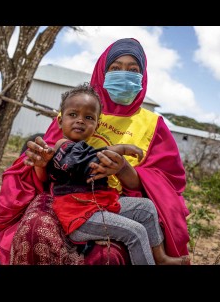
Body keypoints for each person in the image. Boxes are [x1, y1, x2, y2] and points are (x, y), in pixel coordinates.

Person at [0, 37, 190, 265]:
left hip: (112, 200)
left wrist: (123, 169)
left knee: (114, 250)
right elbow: (49, 169)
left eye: (133, 70)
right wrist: (39, 163)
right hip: (68, 202)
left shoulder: (153, 125)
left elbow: (165, 186)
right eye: (115, 68)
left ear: (143, 75)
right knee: (33, 231)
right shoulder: (78, 109)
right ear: (103, 71)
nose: (124, 75)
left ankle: (158, 257)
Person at [27, 83, 189, 265]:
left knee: (146, 208)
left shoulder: (85, 148)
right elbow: (83, 163)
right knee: (135, 232)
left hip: (97, 206)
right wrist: (118, 149)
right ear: (59, 121)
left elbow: (88, 156)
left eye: (88, 117)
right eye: (73, 115)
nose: (80, 120)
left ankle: (160, 258)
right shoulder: (62, 146)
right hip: (80, 217)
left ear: (96, 126)